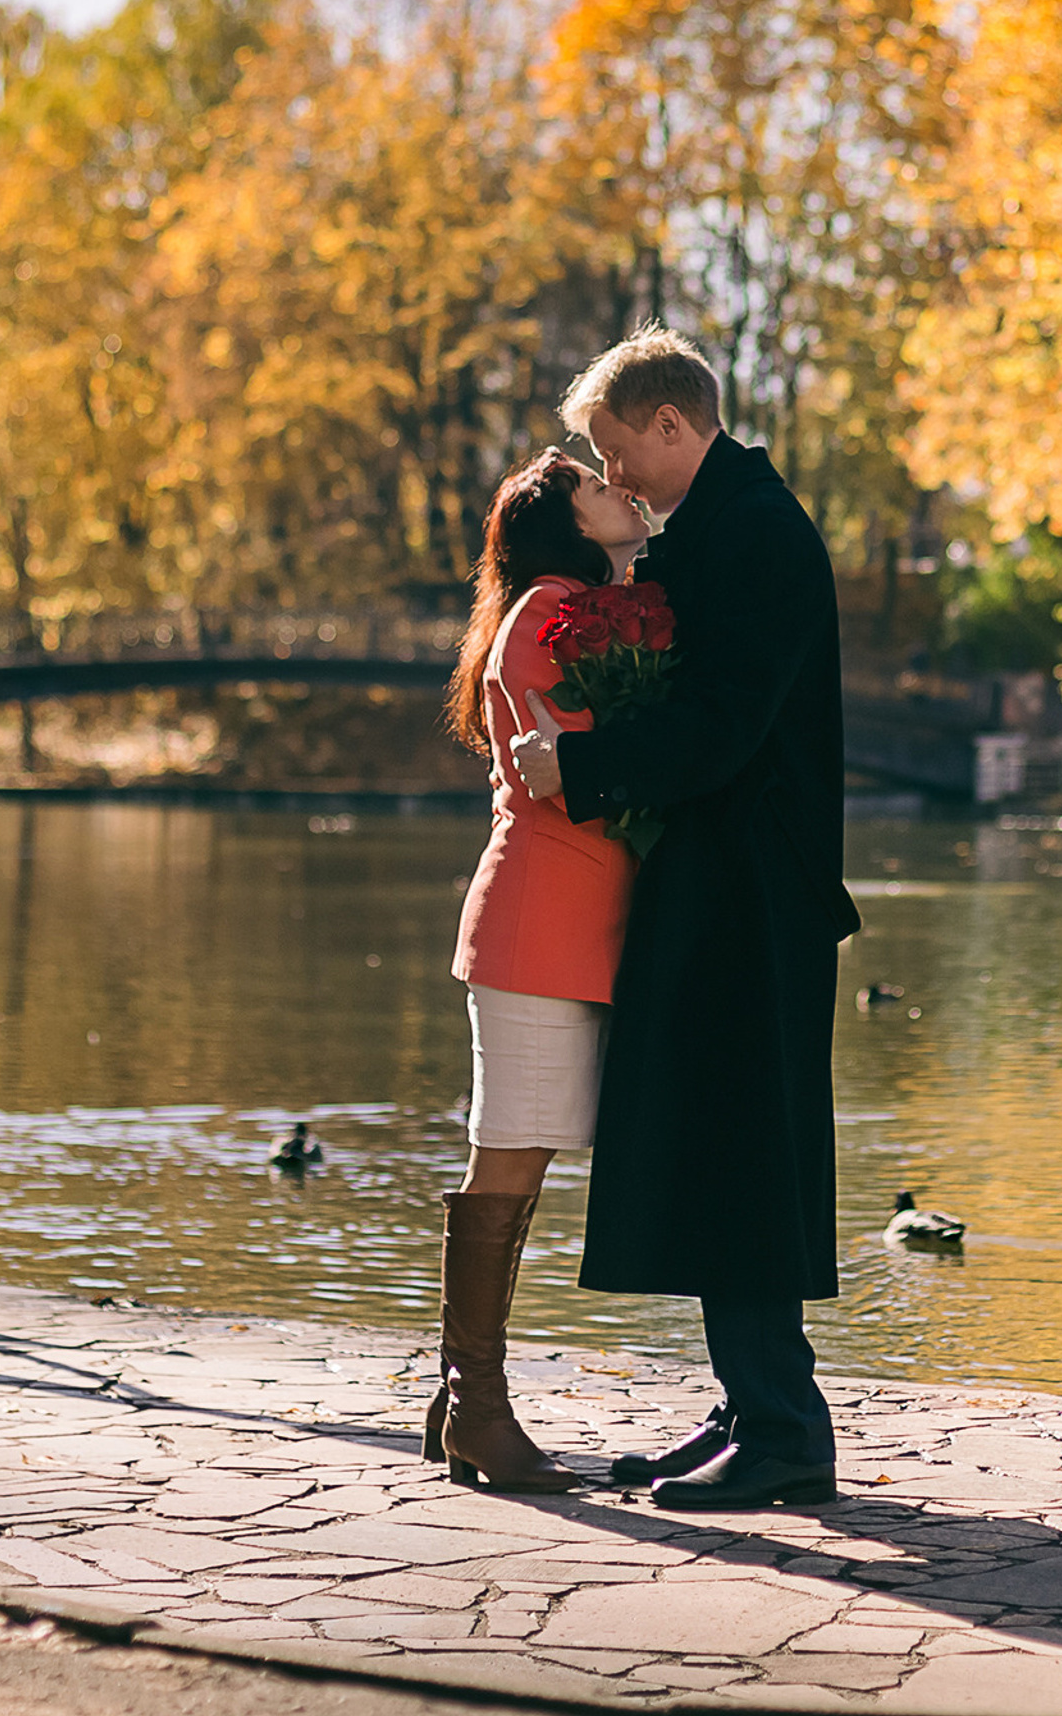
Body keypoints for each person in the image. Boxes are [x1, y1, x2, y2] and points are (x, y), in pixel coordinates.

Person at [511, 327, 857, 1510]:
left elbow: (724, 725)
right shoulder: (718, 526)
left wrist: (582, 765)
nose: (614, 475)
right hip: (721, 883)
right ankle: (752, 1406)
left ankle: (783, 1426)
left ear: (671, 422)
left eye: (617, 449)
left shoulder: (756, 533)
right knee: (720, 1145)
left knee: (744, 1150)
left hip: (752, 892)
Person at [428, 447, 651, 1491]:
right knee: (510, 1160)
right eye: (596, 488)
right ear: (563, 524)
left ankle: (459, 1399)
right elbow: (568, 770)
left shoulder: (575, 605)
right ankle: (478, 1407)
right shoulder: (547, 614)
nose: (620, 490)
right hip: (536, 925)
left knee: (522, 1159)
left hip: (570, 924)